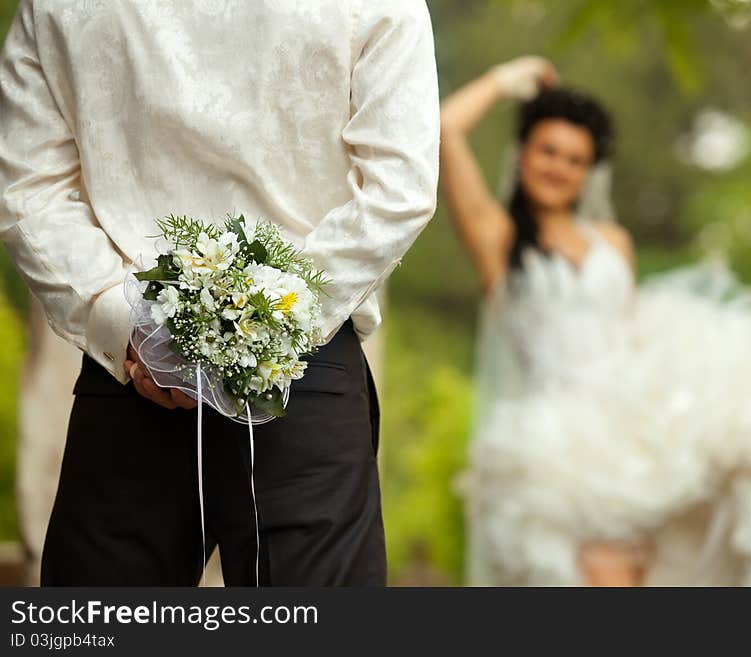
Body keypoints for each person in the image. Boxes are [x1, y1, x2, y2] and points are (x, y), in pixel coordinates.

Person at [0, 0, 439, 586]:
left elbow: (27, 187)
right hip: (297, 374)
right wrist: (268, 323)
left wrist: (126, 323)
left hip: (139, 370)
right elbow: (398, 190)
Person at [440, 56, 751, 586]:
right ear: (523, 154)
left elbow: (629, 331)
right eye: (548, 151)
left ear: (589, 171)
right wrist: (505, 81)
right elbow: (445, 127)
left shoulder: (613, 243)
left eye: (576, 159)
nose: (559, 167)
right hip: (562, 450)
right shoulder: (498, 239)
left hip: (641, 434)